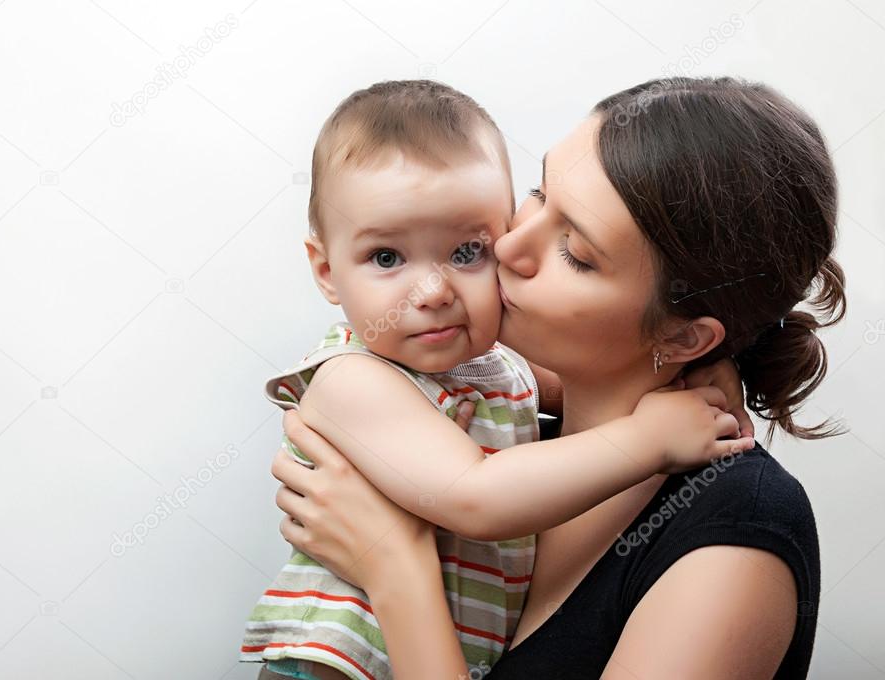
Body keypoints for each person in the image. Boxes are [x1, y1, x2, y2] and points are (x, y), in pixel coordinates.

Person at [271, 76, 845, 679]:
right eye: (540, 194)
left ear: (683, 336)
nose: (510, 244)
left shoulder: (735, 530)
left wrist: (396, 569)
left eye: (574, 251)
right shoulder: (506, 436)